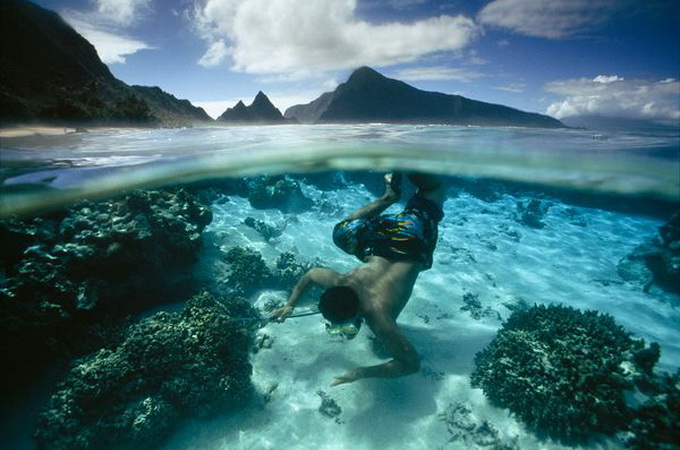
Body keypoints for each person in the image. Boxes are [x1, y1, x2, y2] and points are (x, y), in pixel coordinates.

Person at [270, 172, 446, 386]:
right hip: (383, 237)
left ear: (357, 312)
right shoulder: (340, 282)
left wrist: (361, 373)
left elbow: (410, 364)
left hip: (413, 238)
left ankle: (400, 185)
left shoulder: (379, 317)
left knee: (432, 190)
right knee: (340, 232)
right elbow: (311, 275)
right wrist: (289, 305)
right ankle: (391, 194)